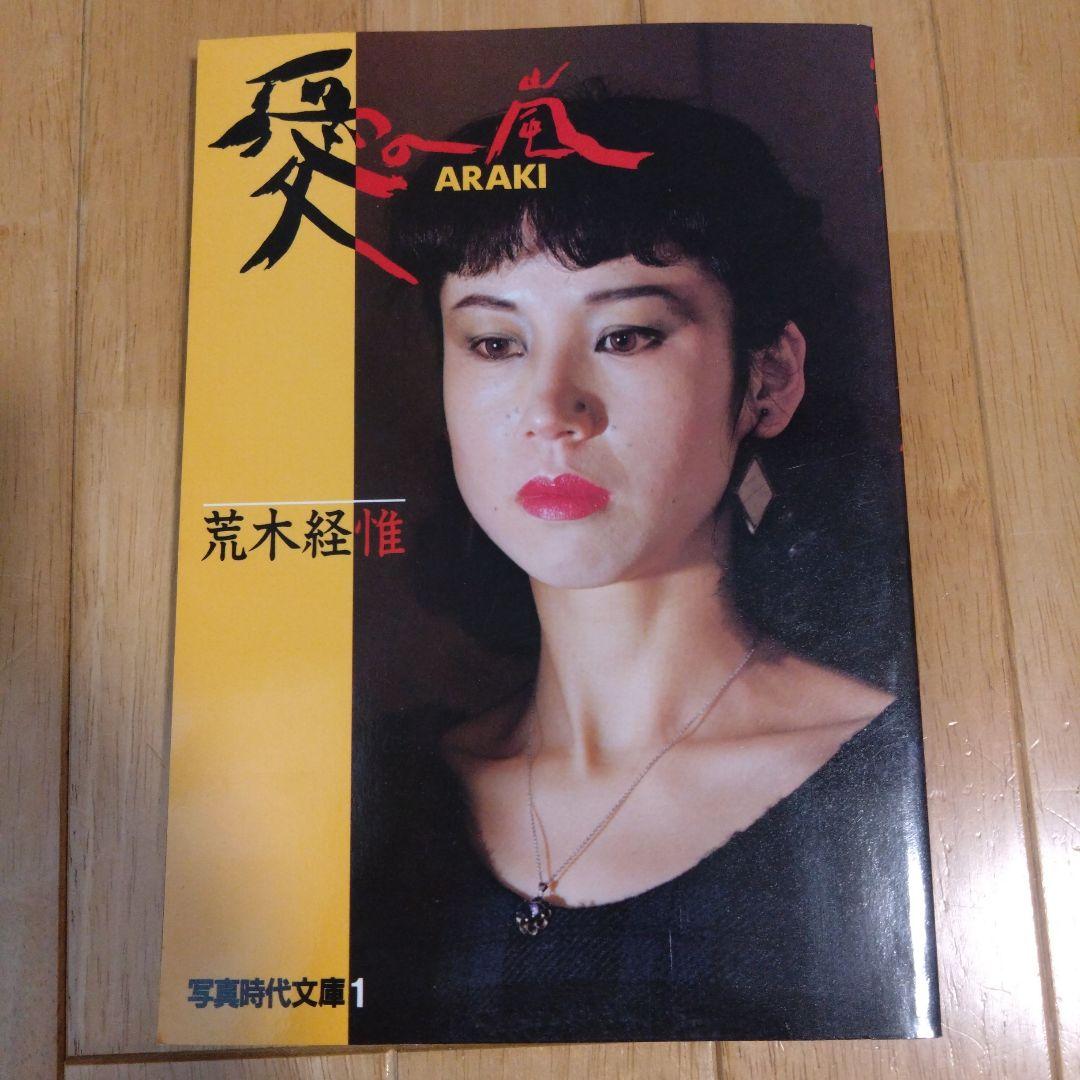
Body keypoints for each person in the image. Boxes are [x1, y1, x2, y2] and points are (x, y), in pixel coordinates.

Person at [349, 92, 936, 1044]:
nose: (551, 410)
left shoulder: (901, 787)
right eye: (495, 343)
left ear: (769, 379)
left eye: (625, 336)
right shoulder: (374, 802)